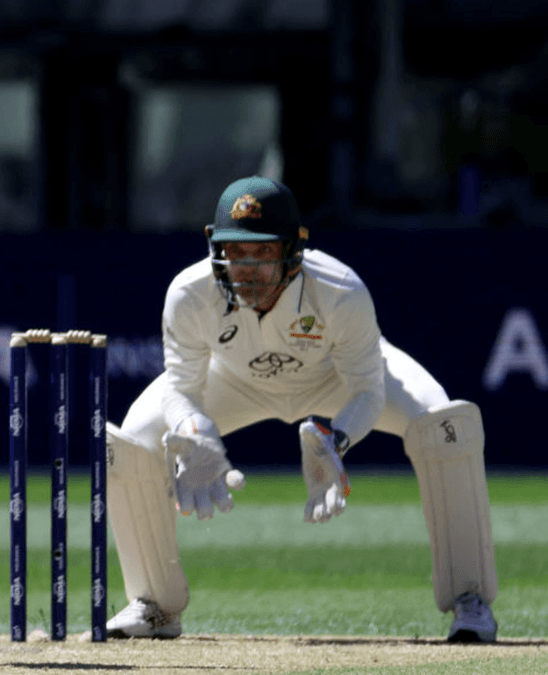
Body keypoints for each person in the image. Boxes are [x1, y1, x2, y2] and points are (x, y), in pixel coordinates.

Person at [103, 176, 498, 643]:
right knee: (131, 441)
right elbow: (180, 386)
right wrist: (194, 428)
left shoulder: (340, 290)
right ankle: (154, 605)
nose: (246, 268)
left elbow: (369, 392)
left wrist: (337, 440)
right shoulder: (189, 292)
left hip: (335, 379)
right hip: (233, 379)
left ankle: (470, 599)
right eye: (235, 252)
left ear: (293, 251)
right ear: (216, 246)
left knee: (443, 424)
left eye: (262, 253)